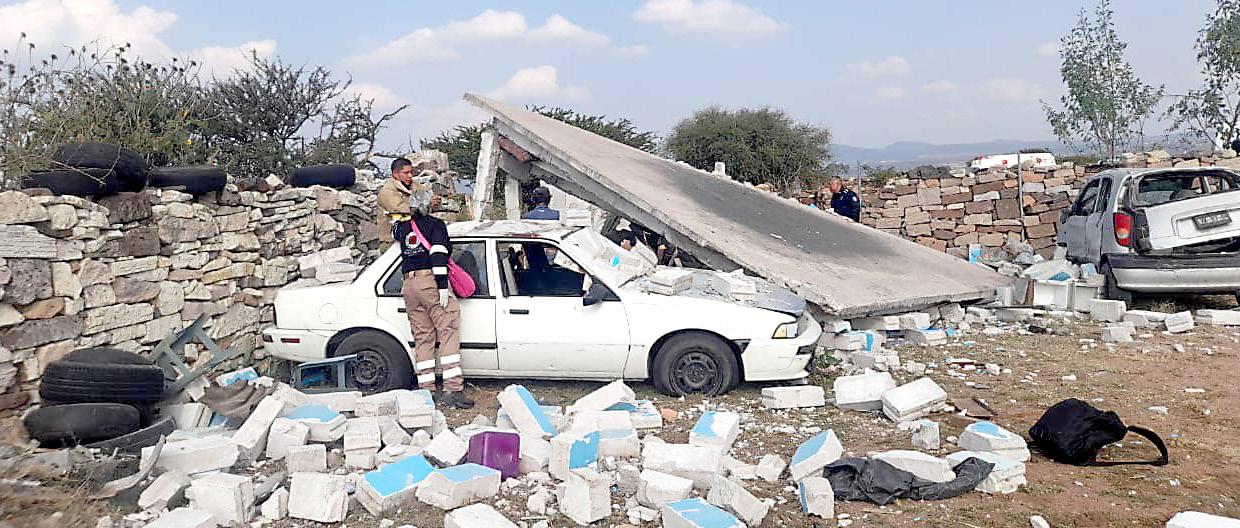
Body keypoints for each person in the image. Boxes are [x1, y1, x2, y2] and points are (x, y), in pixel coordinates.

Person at [392, 188, 474, 409]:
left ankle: (425, 391)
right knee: (447, 331)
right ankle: (452, 389)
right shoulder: (435, 225)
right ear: (429, 205)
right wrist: (442, 287)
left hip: (409, 285)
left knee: (423, 337)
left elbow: (394, 228)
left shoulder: (403, 228)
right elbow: (438, 255)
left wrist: (405, 213)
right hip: (430, 282)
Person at [377, 158, 415, 249]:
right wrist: (426, 204)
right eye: (406, 173)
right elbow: (401, 210)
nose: (410, 176)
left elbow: (426, 195)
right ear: (395, 174)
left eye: (411, 172)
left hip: (412, 236)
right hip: (391, 242)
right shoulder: (387, 191)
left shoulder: (413, 185)